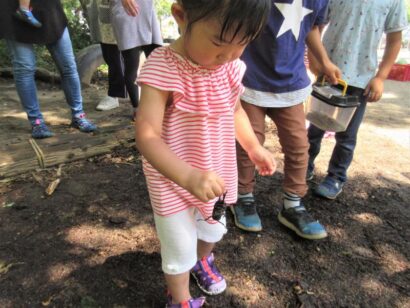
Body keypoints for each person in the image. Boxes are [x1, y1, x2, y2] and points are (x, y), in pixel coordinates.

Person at [134, 0, 274, 306]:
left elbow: (234, 109)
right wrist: (186, 176)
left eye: (243, 43)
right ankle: (180, 298)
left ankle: (202, 260)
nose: (230, 55)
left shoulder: (230, 67)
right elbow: (146, 135)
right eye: (219, 43)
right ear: (182, 17)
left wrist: (253, 146)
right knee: (179, 246)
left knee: (213, 228)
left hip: (216, 170)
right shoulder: (163, 67)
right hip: (172, 178)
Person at [232, 0, 341, 239]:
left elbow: (311, 27)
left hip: (290, 83)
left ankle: (293, 205)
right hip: (250, 80)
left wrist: (323, 61)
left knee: (299, 146)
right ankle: (243, 197)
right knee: (250, 144)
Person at [307, 0, 408, 200]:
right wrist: (315, 59)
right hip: (328, 72)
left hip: (361, 79)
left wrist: (380, 77)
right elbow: (318, 25)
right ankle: (304, 166)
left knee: (347, 136)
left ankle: (336, 177)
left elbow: (394, 40)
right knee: (315, 128)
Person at [0, 0, 97, 139]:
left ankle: (78, 115)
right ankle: (36, 122)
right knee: (24, 68)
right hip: (14, 13)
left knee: (68, 66)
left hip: (49, 11)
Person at [110, 0, 162, 119]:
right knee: (131, 64)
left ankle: (159, 106)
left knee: (159, 63)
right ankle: (137, 109)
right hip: (125, 11)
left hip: (148, 10)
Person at [81, 0, 127, 111]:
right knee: (108, 53)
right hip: (99, 10)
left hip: (114, 9)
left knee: (113, 53)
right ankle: (121, 90)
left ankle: (114, 94)